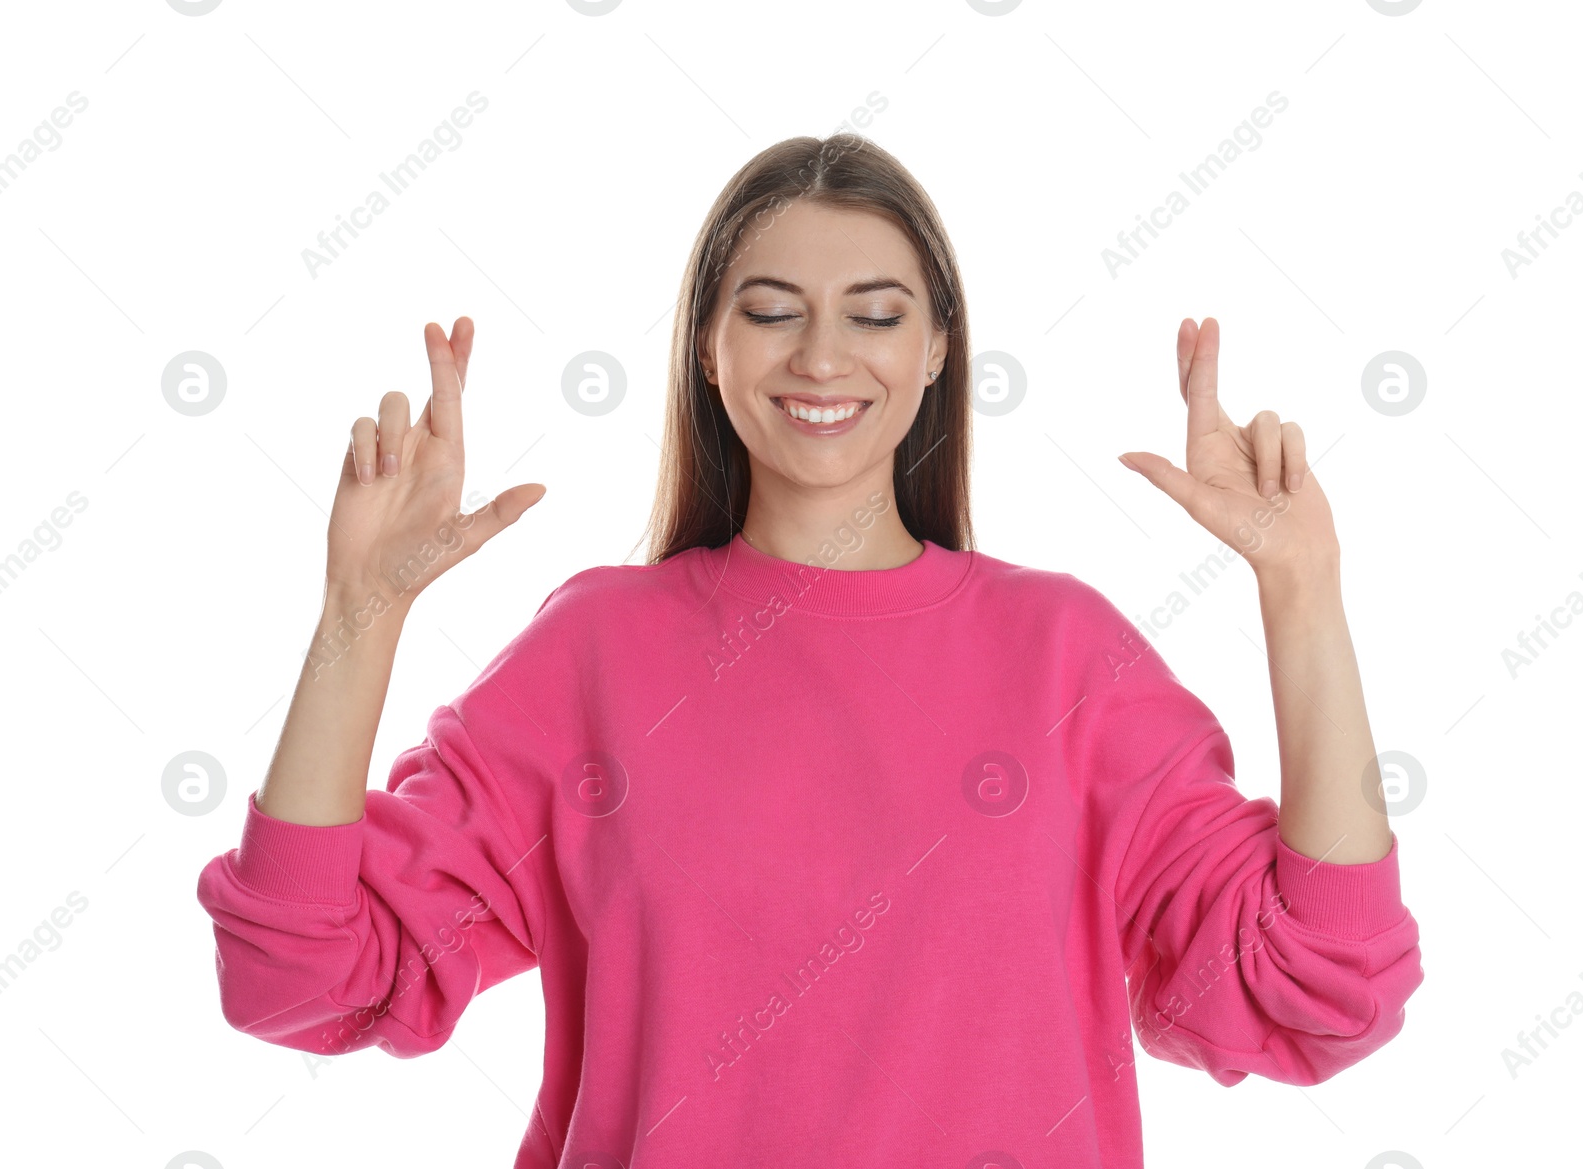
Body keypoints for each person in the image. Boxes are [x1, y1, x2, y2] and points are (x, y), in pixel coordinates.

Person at [195, 133, 1421, 1169]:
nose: (821, 356)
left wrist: (1301, 589)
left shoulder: (1065, 659)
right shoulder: (596, 653)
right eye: (770, 313)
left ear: (938, 348)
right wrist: (358, 615)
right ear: (707, 350)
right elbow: (298, 975)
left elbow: (1320, 987)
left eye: (874, 315)